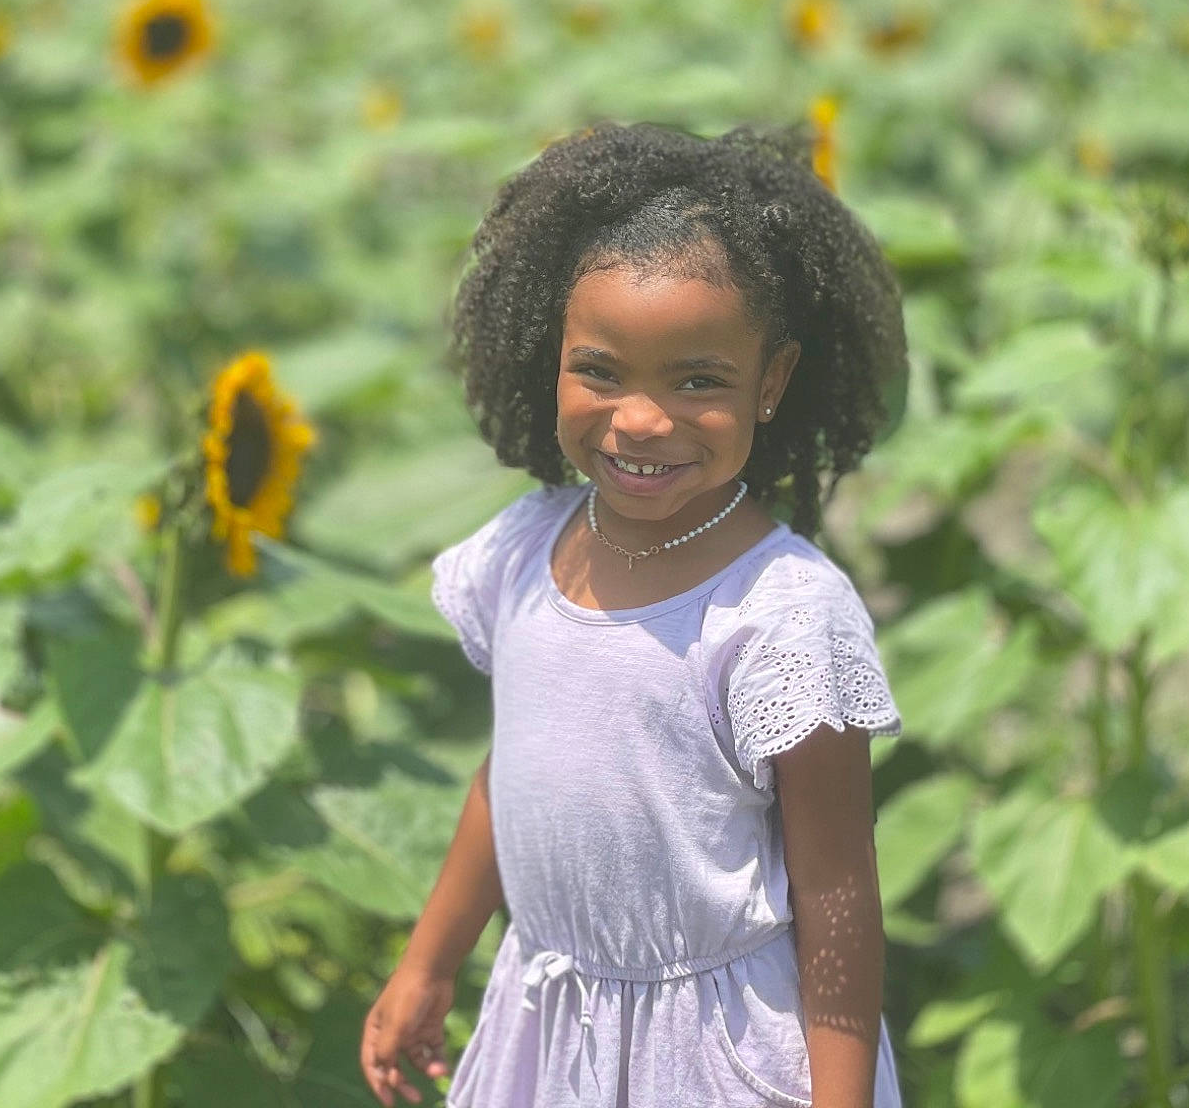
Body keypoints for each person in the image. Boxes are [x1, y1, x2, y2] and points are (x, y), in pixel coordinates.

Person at [360, 120, 912, 1108]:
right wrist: (426, 963)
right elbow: (510, 783)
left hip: (712, 1055)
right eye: (600, 371)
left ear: (771, 381)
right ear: (551, 355)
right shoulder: (526, 550)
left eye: (698, 380)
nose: (641, 419)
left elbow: (837, 897)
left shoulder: (780, 618)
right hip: (544, 1032)